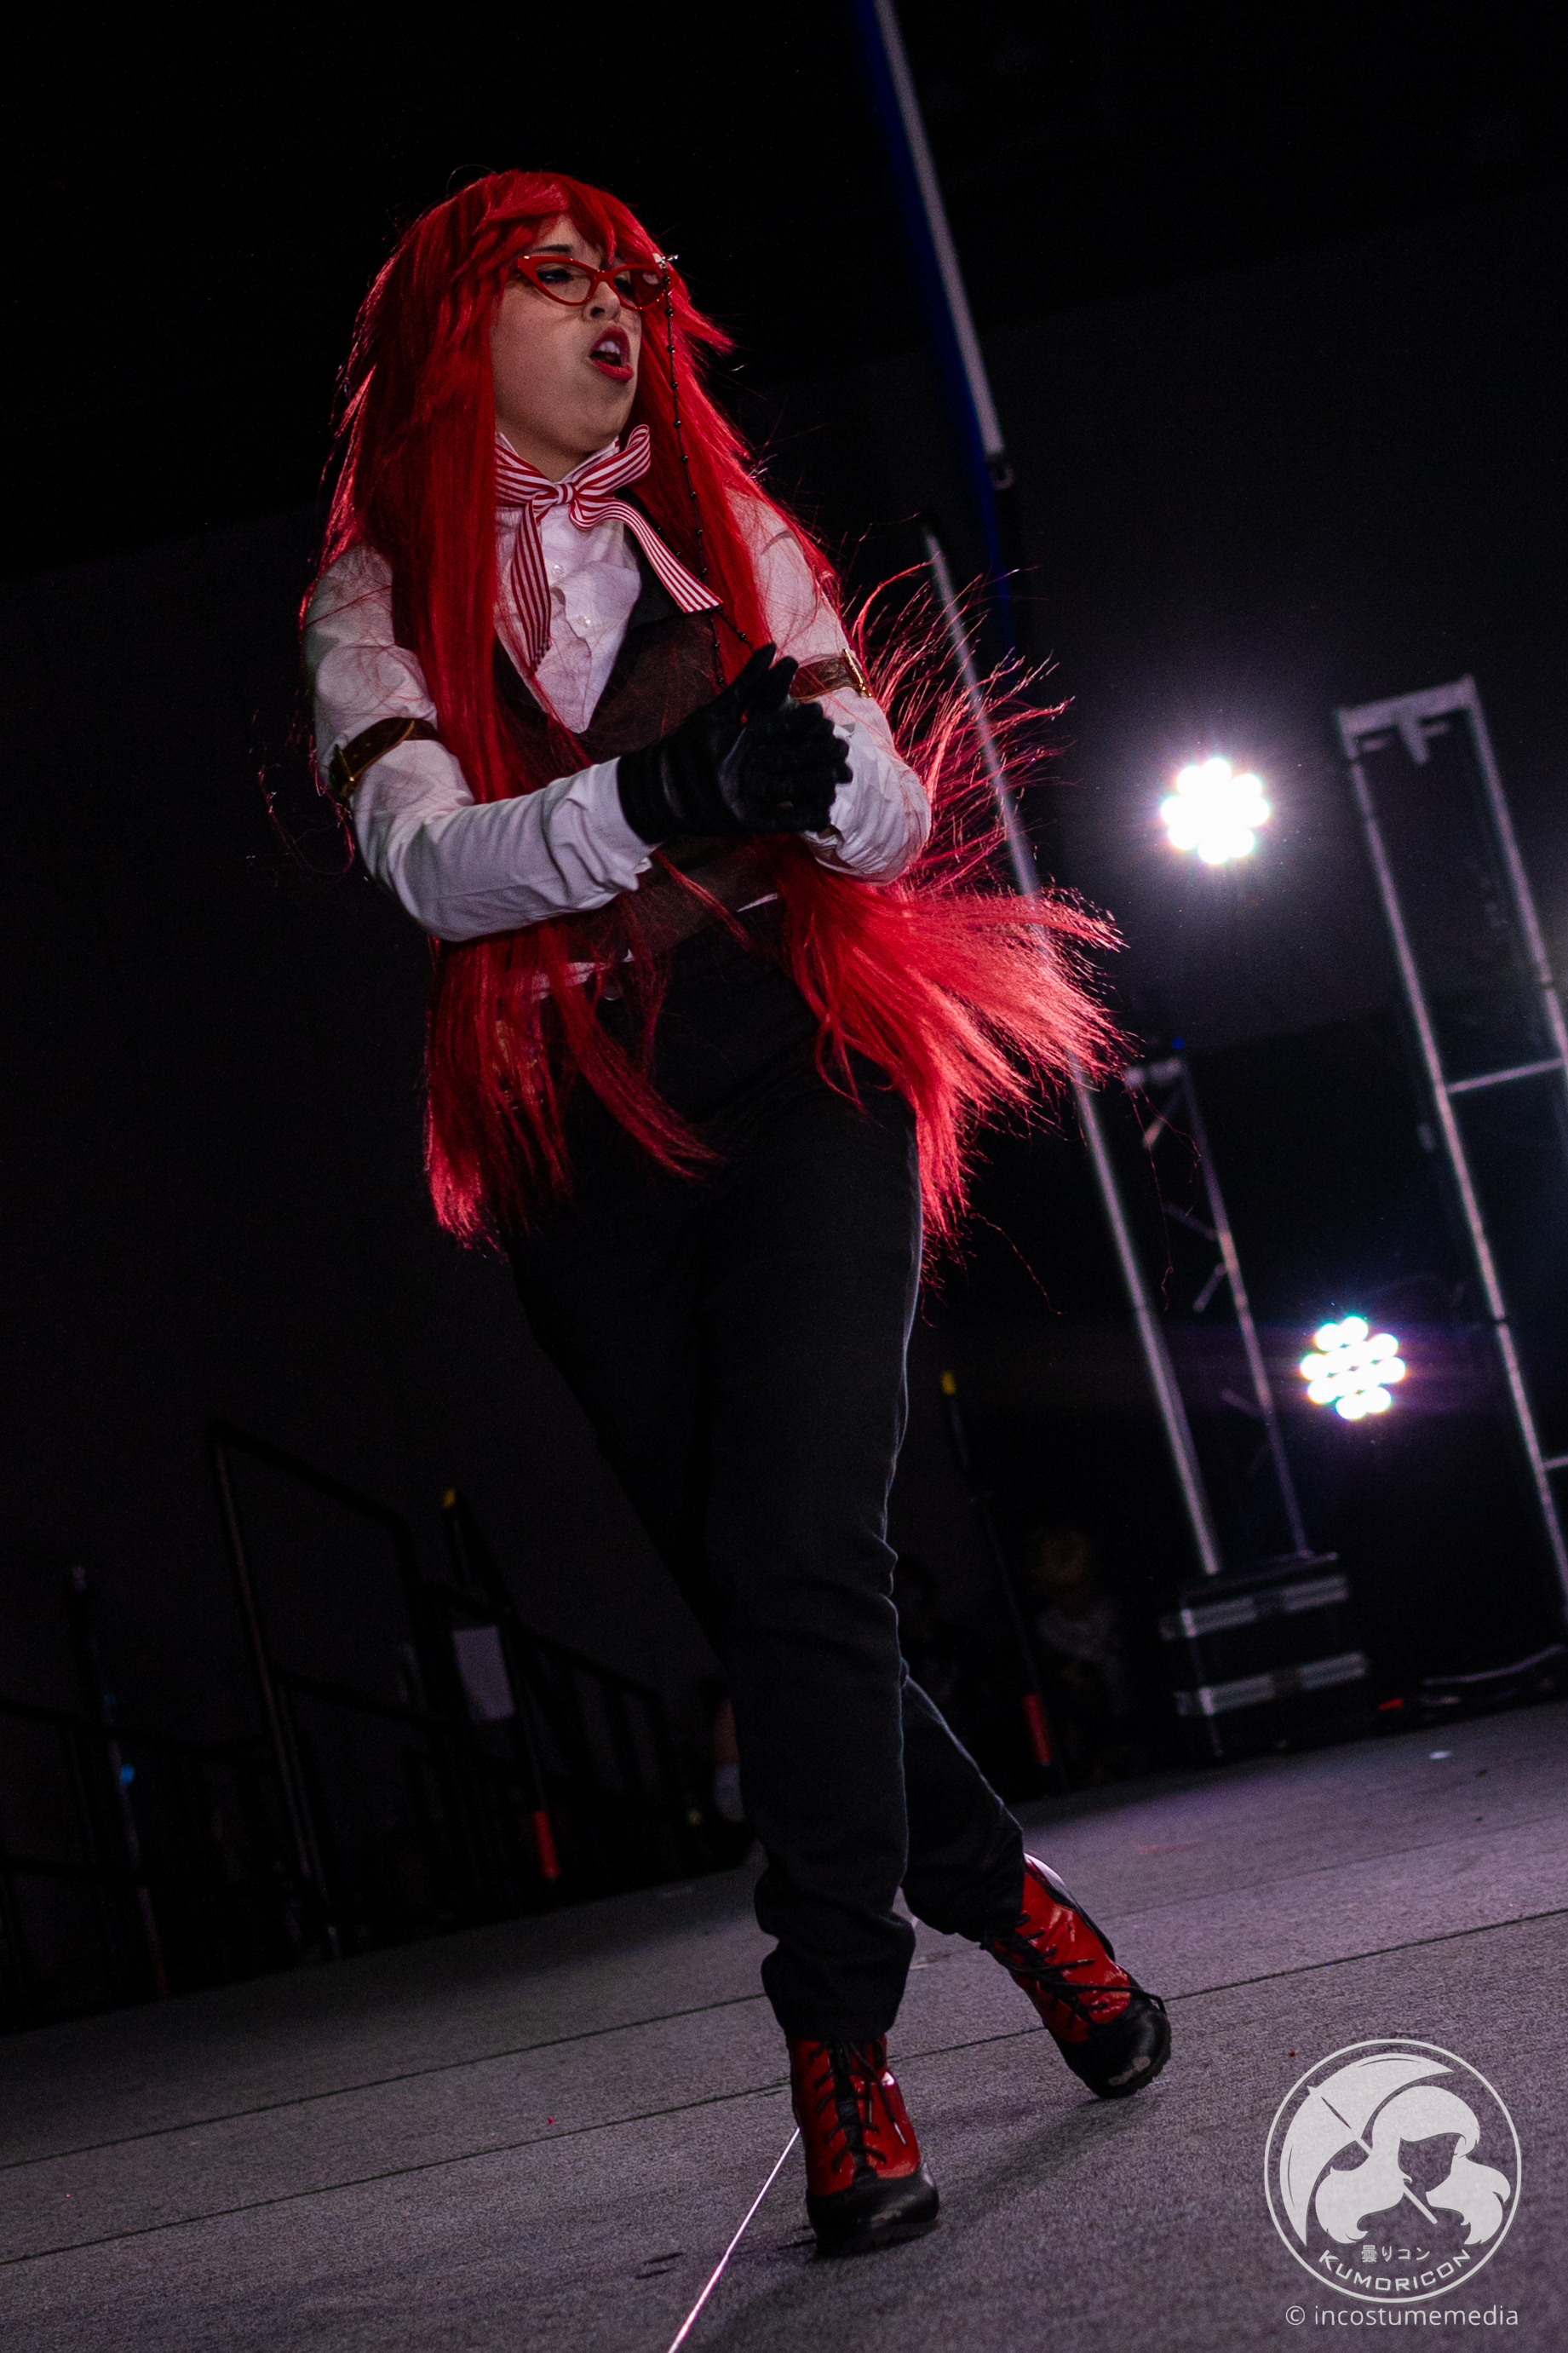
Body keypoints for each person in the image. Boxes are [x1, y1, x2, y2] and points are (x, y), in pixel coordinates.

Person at [304, 169, 1169, 2258]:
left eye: (629, 280)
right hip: (576, 1124)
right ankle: (1014, 1901)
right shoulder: (366, 591)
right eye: (558, 281)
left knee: (805, 1546)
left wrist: (818, 779)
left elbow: (887, 805)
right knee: (765, 1597)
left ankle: (839, 2041)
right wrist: (663, 794)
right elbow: (427, 865)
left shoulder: (724, 515)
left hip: (799, 1066)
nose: (613, 311)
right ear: (456, 334)